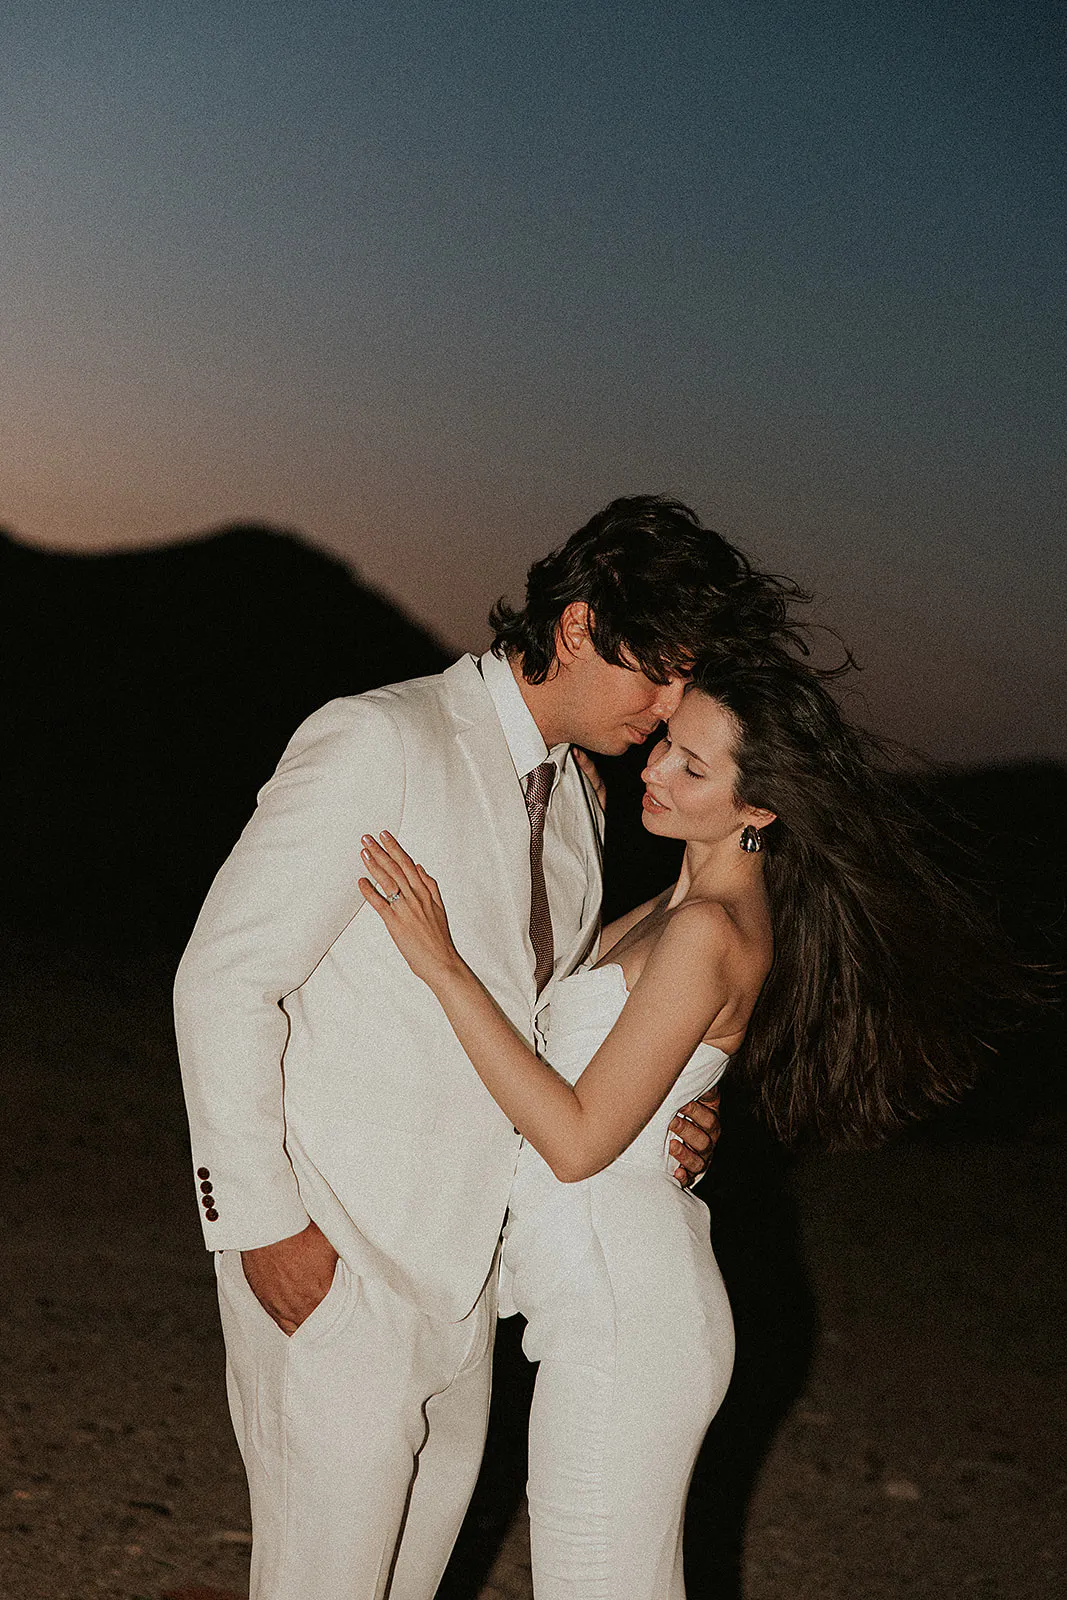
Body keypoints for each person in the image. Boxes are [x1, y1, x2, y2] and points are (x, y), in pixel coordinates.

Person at [173, 496, 801, 1600]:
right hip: (336, 1264)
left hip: (472, 1295)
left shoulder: (576, 806)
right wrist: (265, 1224)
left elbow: (564, 1030)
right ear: (572, 627)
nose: (663, 712)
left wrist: (674, 1114)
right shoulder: (381, 739)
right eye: (652, 673)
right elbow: (224, 976)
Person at [356, 644, 1022, 1600]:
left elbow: (579, 1140)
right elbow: (610, 1080)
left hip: (624, 1320)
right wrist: (689, 1115)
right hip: (605, 1299)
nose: (653, 768)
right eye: (666, 741)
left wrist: (440, 961)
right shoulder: (671, 906)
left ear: (759, 810)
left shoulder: (709, 927)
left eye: (690, 766)